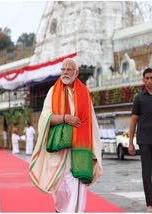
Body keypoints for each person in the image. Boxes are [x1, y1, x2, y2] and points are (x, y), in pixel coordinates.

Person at [29, 58, 102, 212]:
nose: (65, 72)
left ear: (76, 73)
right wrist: (64, 118)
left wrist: (95, 150)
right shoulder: (52, 91)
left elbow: (92, 123)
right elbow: (44, 118)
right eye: (63, 69)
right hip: (58, 153)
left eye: (69, 69)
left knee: (77, 190)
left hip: (79, 152)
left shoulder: (84, 93)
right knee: (59, 193)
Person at [128, 68, 152, 213]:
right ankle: (149, 204)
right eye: (146, 78)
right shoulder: (139, 98)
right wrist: (130, 142)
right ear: (143, 81)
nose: (149, 80)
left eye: (151, 78)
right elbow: (133, 120)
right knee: (146, 173)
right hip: (144, 141)